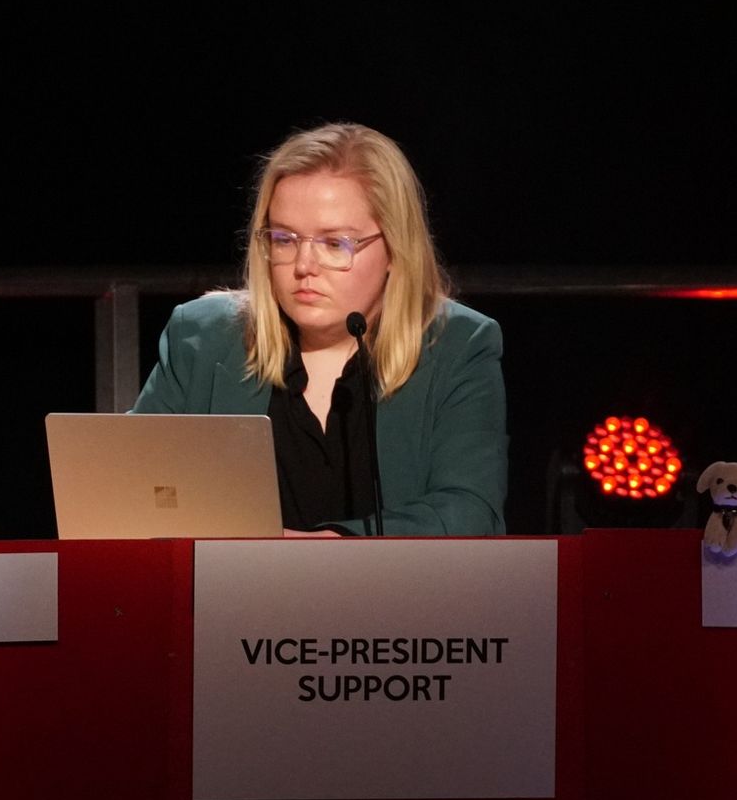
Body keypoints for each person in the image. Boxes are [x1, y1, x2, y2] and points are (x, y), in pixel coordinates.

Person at [132, 123, 506, 536]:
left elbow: (470, 511)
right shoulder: (201, 340)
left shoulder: (458, 345)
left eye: (335, 244)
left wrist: (330, 548)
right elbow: (131, 494)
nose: (303, 266)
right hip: (234, 597)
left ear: (395, 250)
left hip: (396, 597)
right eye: (284, 239)